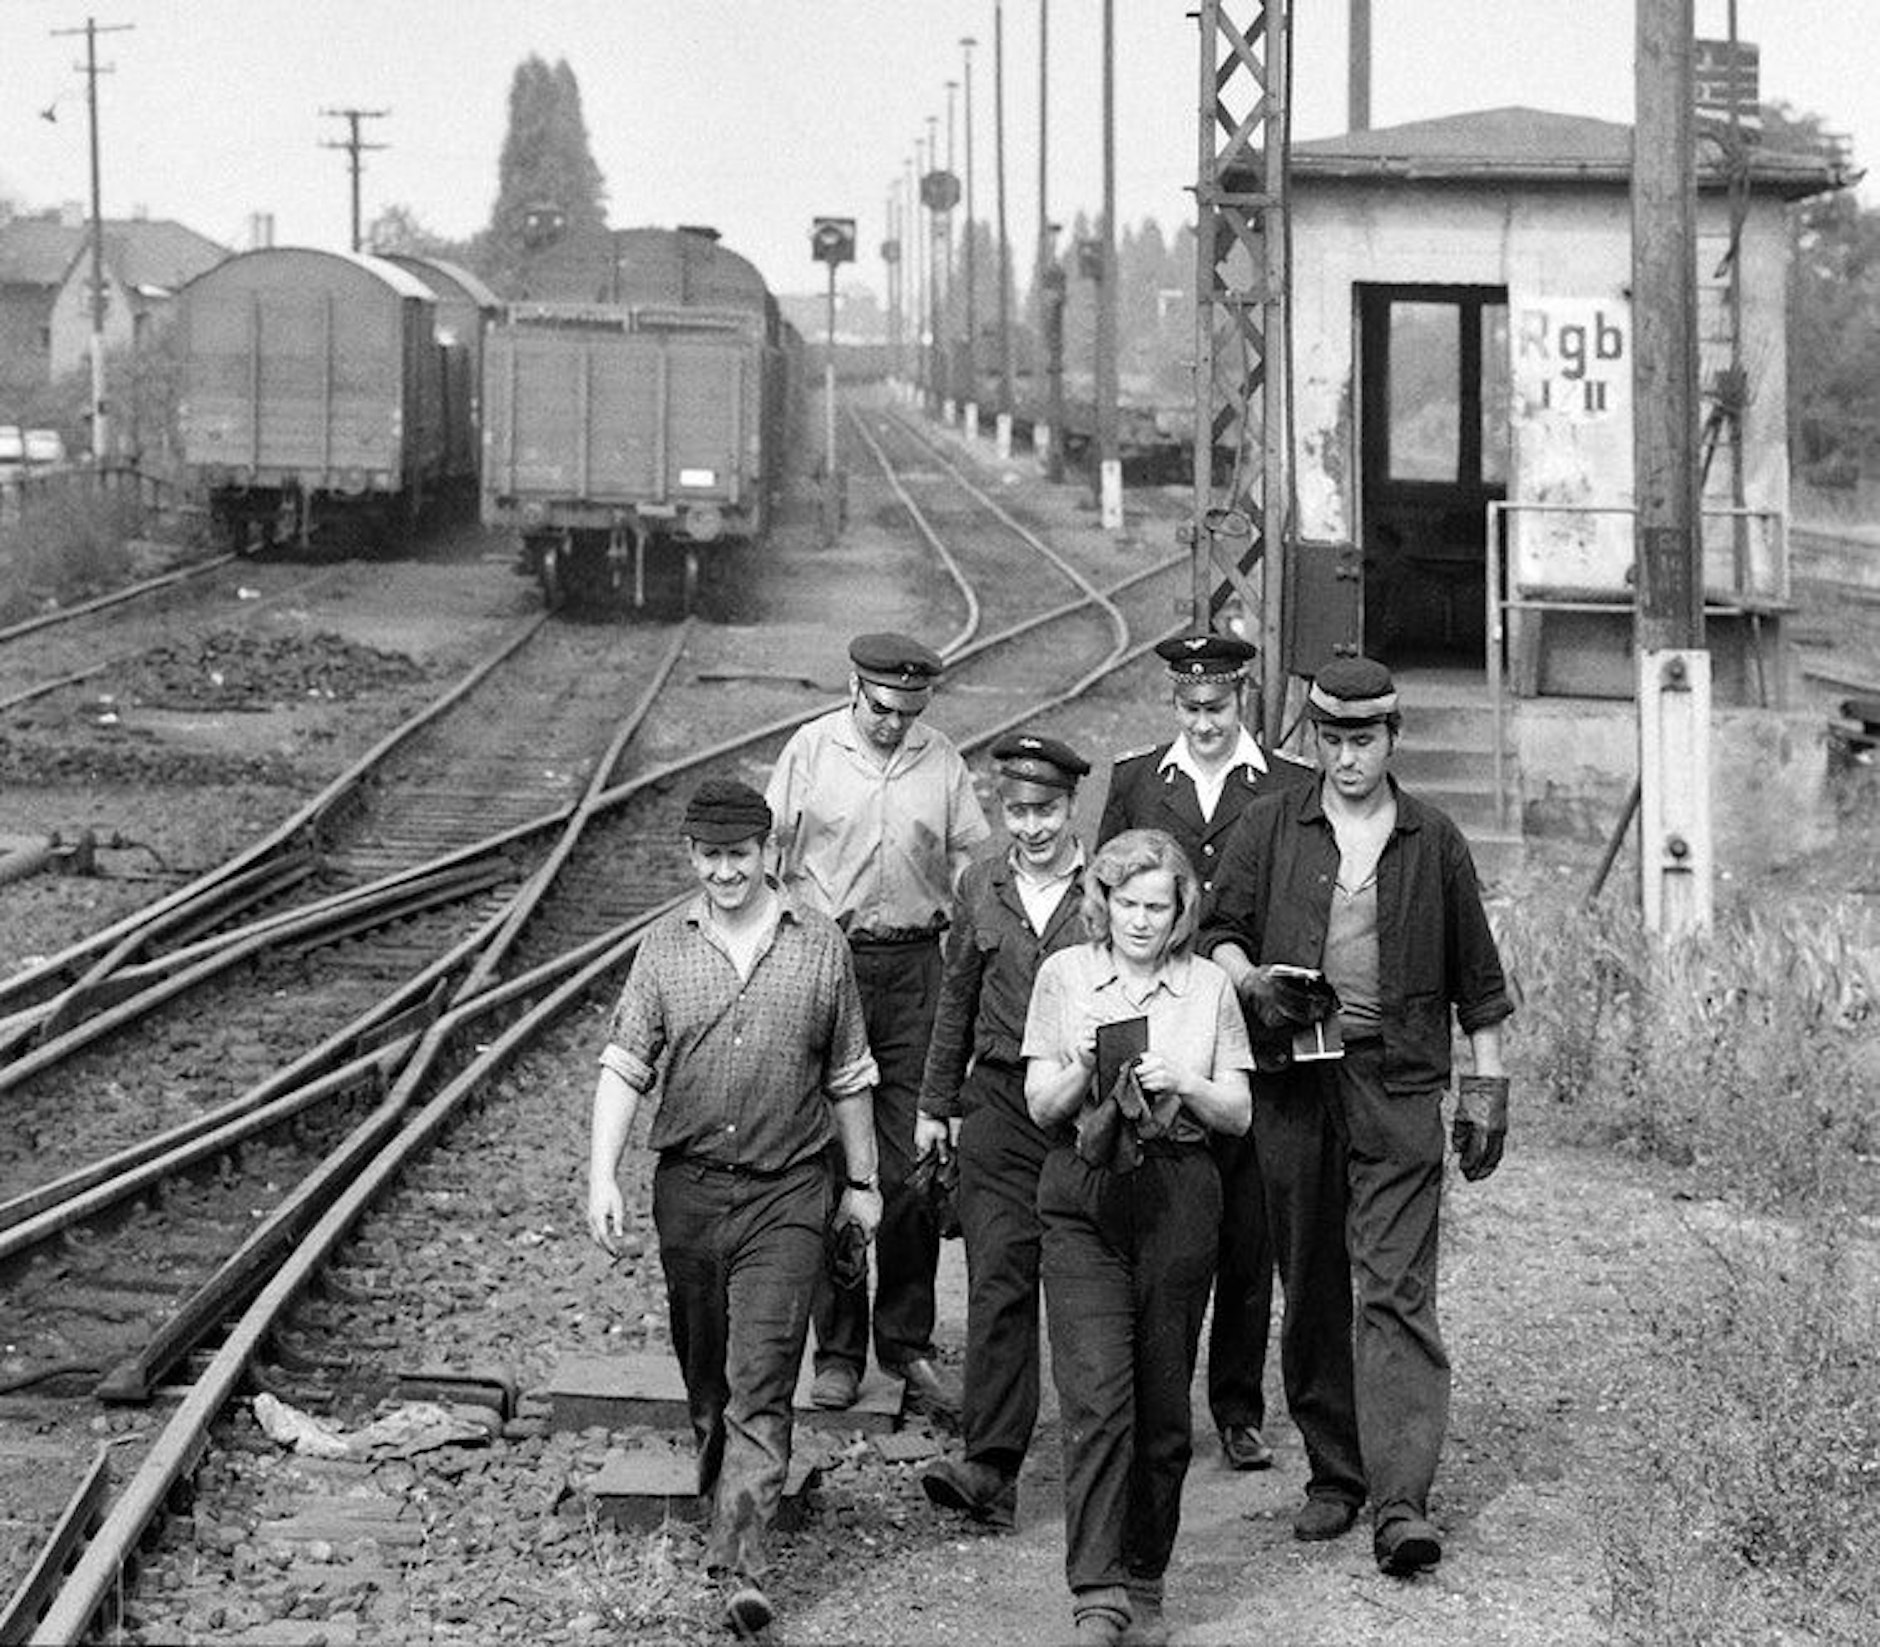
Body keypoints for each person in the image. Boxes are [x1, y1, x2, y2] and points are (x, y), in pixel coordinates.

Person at [1200, 657, 1513, 1578]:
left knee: (1396, 1290)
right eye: (1331, 740)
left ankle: (1402, 1498)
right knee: (1313, 1283)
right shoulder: (1271, 827)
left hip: (1399, 1081)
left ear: (1391, 739)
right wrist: (1251, 981)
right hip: (1295, 1084)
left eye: (1363, 740)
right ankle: (1335, 1474)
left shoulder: (1433, 839)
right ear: (1315, 740)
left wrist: (1487, 1086)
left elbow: (1480, 986)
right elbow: (1218, 930)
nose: (1345, 759)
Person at [585, 778, 883, 1638]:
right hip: (689, 1189)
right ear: (691, 856)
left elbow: (851, 1076)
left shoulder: (821, 946)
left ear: (768, 854)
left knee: (762, 1376)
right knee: (709, 1376)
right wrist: (601, 1175)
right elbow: (623, 1065)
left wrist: (861, 1185)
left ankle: (740, 1563)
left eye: (740, 856)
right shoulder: (662, 949)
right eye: (710, 857)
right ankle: (725, 1488)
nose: (725, 872)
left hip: (789, 1189)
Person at [1023, 828, 1254, 1647]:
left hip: (1179, 1193)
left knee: (1161, 1406)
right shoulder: (1065, 976)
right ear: (1103, 902)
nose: (1142, 921)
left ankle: (1146, 1577)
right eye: (1127, 903)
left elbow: (1239, 1111)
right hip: (1083, 1192)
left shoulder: (1206, 990)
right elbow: (1039, 1104)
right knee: (1095, 1397)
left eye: (1159, 905)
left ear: (1183, 909)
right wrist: (1088, 1065)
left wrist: (1183, 1079)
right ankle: (1096, 1590)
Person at [1096, 631, 1315, 1475]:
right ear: (1173, 704)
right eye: (1189, 708)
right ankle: (1159, 1399)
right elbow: (1105, 900)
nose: (1204, 721)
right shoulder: (1137, 782)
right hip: (1160, 1030)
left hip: (1253, 1038)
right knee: (1166, 1217)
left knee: (1249, 1230)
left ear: (1242, 698)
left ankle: (1238, 1407)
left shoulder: (1288, 783)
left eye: (1217, 707)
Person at [764, 632, 991, 1420]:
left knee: (911, 1162)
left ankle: (905, 1340)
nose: (893, 724)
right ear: (855, 689)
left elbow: (972, 860)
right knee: (833, 1161)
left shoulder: (944, 761)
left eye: (908, 712)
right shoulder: (810, 751)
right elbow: (771, 861)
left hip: (916, 970)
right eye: (881, 709)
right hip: (833, 962)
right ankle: (836, 1350)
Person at [915, 732, 1093, 1533]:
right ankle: (990, 1466)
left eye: (1046, 809)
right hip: (996, 1104)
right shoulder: (981, 883)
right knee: (999, 1281)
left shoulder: (1109, 889)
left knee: (1086, 1285)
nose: (1031, 826)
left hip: (1086, 1105)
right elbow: (956, 996)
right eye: (1016, 810)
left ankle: (1108, 1464)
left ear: (1071, 806)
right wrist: (932, 1107)